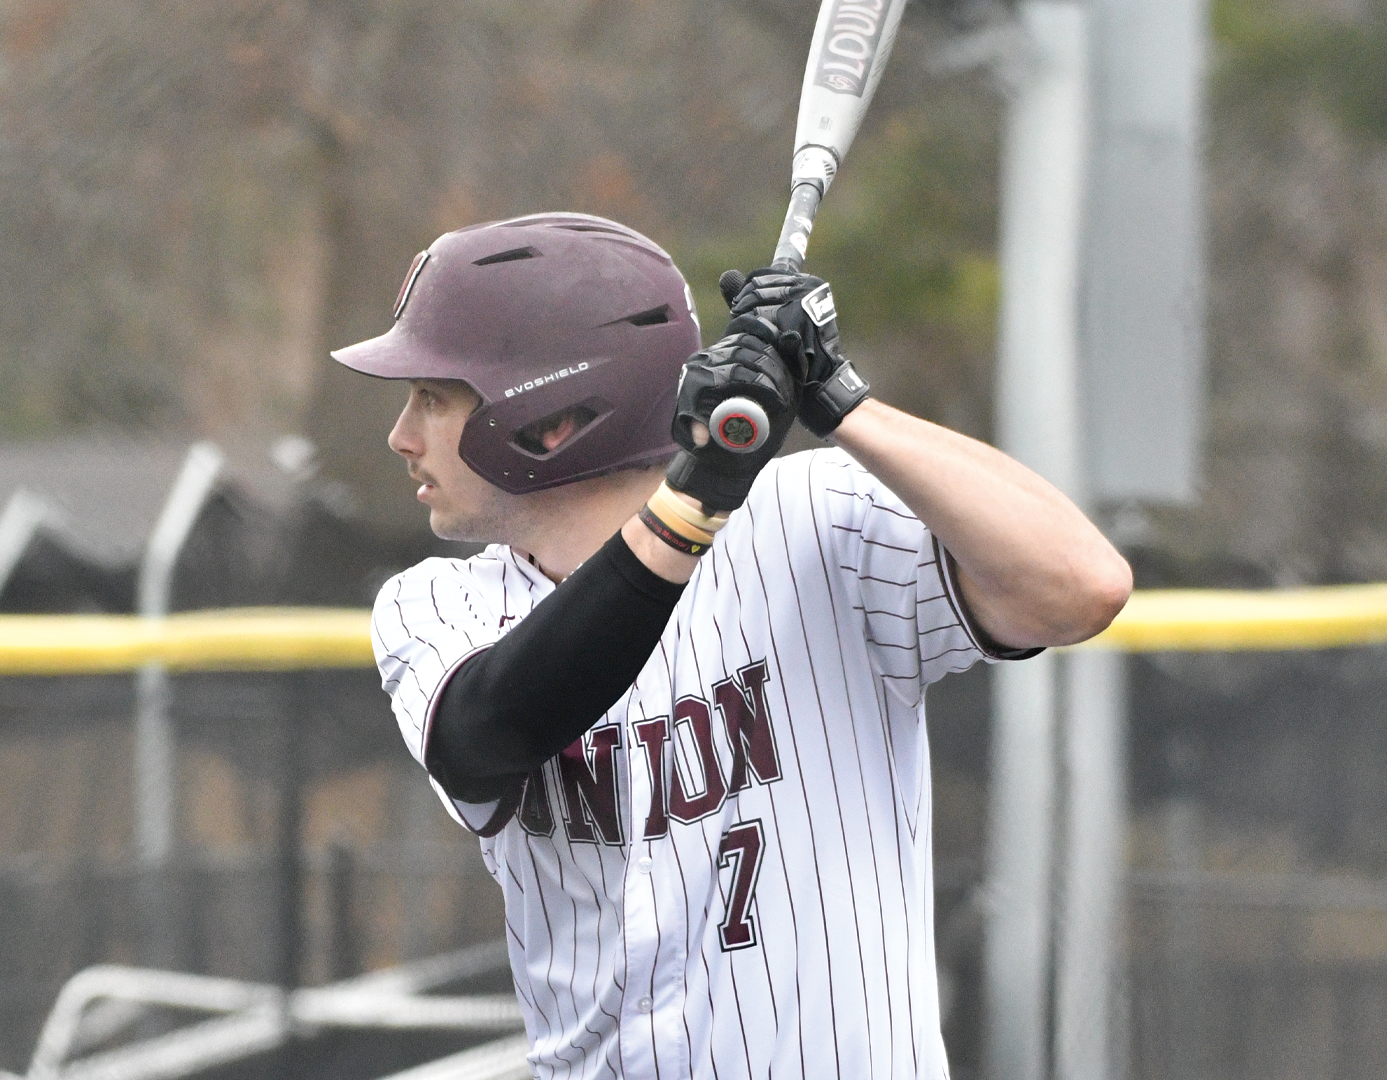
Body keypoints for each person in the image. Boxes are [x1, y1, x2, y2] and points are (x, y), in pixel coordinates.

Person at [335, 211, 1130, 1080]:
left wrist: (840, 398)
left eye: (434, 398)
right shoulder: (435, 604)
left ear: (548, 416)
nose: (401, 436)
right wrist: (695, 495)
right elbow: (488, 732)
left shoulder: (819, 517)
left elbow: (1081, 586)